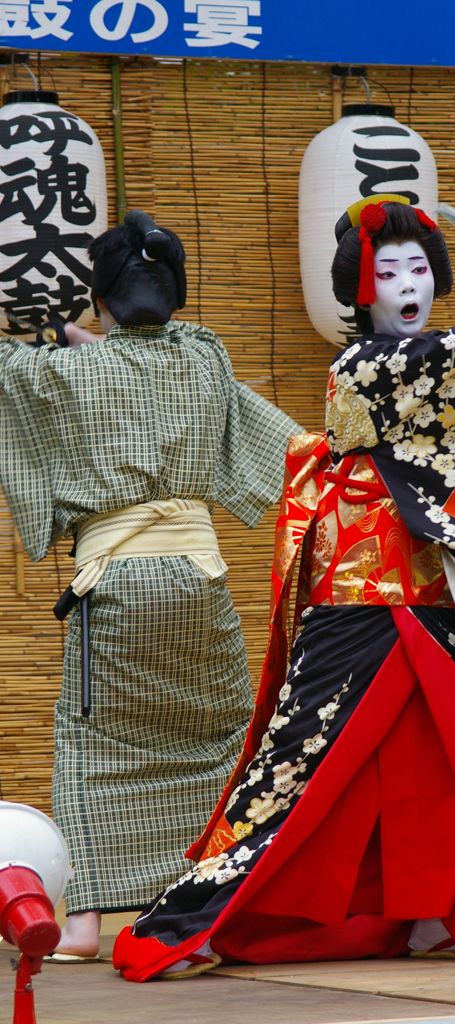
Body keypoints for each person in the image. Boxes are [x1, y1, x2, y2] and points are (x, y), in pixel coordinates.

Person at [112, 196, 455, 982]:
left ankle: (437, 909)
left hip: (443, 590)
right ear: (362, 290)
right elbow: (440, 370)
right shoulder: (359, 367)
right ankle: (207, 910)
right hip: (358, 588)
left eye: (419, 268)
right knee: (301, 755)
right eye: (388, 270)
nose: (407, 282)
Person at [0, 210, 300, 960]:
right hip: (200, 581)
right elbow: (277, 442)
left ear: (99, 301)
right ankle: (203, 908)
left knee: (90, 741)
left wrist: (62, 336)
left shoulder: (60, 374)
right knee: (225, 737)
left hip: (116, 585)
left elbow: (24, 374)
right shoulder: (203, 357)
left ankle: (82, 926)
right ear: (176, 298)